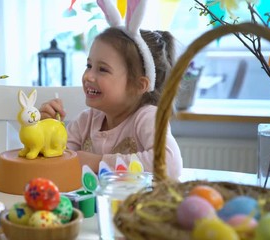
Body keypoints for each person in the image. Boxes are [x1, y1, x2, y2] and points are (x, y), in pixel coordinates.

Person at [40, 0, 182, 179]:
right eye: (89, 65)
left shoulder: (147, 117)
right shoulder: (86, 120)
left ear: (139, 85)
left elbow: (170, 165)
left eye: (103, 69)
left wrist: (98, 162)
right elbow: (56, 164)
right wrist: (50, 131)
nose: (88, 76)